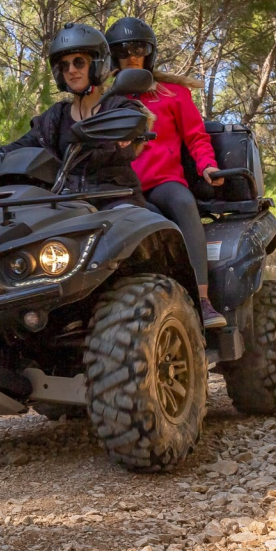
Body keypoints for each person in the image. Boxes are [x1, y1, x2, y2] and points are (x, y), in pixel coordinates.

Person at [105, 16, 227, 329]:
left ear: (150, 52)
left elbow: (197, 138)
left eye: (139, 49)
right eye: (123, 50)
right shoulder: (106, 100)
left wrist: (208, 166)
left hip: (163, 183)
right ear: (112, 56)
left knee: (183, 204)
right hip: (118, 187)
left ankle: (203, 301)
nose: (132, 56)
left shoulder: (173, 93)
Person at [0, 23, 145, 208]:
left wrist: (129, 129)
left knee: (122, 227)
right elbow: (21, 147)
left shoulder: (116, 106)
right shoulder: (55, 118)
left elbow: (135, 118)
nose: (71, 70)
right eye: (64, 65)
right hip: (68, 202)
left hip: (116, 198)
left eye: (79, 62)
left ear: (97, 64)